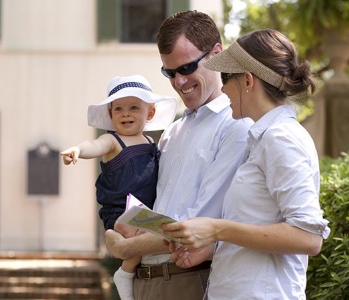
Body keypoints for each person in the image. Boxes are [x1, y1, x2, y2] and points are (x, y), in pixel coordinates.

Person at [162, 29, 331, 299]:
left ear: (248, 80)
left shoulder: (281, 138)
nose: (224, 87)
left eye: (228, 78)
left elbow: (308, 238)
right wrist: (212, 245)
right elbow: (258, 224)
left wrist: (217, 228)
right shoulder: (263, 139)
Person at [104, 11, 252, 299]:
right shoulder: (173, 131)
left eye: (186, 68)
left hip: (189, 280)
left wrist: (125, 247)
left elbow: (199, 225)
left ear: (216, 55)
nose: (178, 82)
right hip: (144, 281)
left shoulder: (236, 125)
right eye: (169, 73)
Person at [61, 74, 177, 300]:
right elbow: (94, 145)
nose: (126, 113)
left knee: (163, 231)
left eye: (134, 107)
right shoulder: (113, 141)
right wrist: (78, 150)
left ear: (150, 113)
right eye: (119, 109)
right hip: (121, 210)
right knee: (139, 233)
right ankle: (125, 272)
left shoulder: (152, 143)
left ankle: (132, 268)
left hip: (146, 209)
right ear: (110, 114)